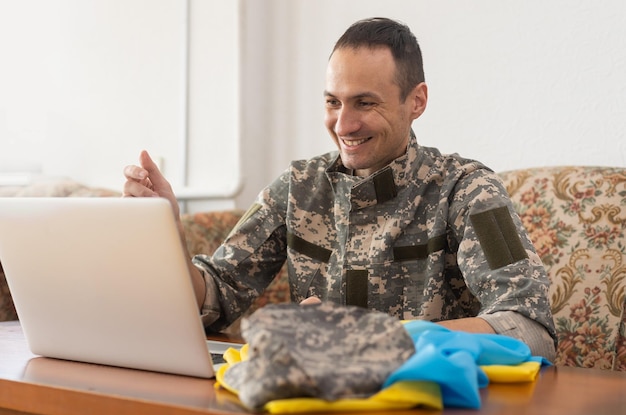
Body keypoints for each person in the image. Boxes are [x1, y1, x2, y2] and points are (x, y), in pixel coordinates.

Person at [123, 17, 556, 360]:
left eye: (365, 103)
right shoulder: (298, 188)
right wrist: (168, 235)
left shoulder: (467, 189)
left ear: (416, 101)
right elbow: (216, 295)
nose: (343, 125)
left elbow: (528, 328)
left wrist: (372, 337)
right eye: (333, 102)